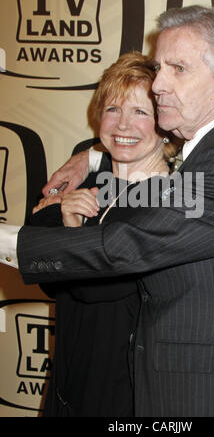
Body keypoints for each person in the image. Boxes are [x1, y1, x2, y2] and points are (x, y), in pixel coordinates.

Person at [0, 5, 214, 417]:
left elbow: (130, 244)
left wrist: (5, 239)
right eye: (160, 68)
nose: (158, 86)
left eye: (178, 68)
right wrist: (91, 158)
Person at [20, 51, 178, 417]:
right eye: (113, 109)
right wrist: (60, 216)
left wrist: (68, 230)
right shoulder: (90, 179)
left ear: (164, 122)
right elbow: (45, 276)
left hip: (122, 388)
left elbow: (99, 287)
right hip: (67, 379)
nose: (123, 124)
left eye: (141, 112)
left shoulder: (167, 198)